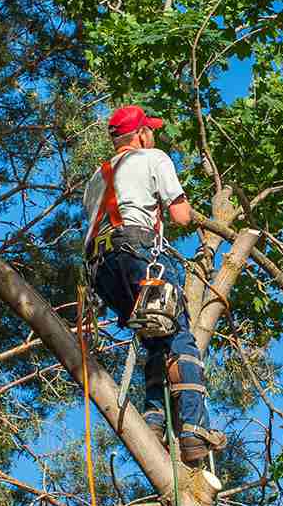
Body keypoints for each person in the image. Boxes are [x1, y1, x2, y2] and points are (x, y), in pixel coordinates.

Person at [83, 104, 226, 463]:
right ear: (141, 134)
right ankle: (194, 428)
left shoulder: (96, 178)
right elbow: (179, 216)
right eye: (152, 131)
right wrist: (197, 217)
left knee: (156, 339)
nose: (155, 136)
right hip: (139, 251)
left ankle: (154, 420)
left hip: (101, 269)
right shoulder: (152, 157)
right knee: (181, 337)